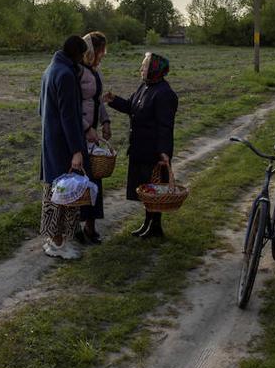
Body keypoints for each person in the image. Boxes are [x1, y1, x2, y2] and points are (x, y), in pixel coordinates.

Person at [104, 52, 178, 240]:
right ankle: (148, 223)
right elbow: (131, 106)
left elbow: (165, 126)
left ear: (154, 69)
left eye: (144, 66)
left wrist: (164, 152)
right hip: (139, 148)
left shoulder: (164, 93)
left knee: (153, 189)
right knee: (146, 190)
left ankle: (155, 226)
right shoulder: (146, 86)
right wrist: (113, 100)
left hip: (153, 151)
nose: (141, 69)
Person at [39, 36, 89, 259]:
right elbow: (69, 117)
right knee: (65, 193)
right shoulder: (66, 75)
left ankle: (51, 240)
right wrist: (77, 149)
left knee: (52, 192)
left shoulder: (50, 69)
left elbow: (42, 109)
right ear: (77, 55)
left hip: (50, 140)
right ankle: (60, 244)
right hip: (64, 144)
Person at [76, 32, 111, 245]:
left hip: (93, 133)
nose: (103, 54)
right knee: (80, 179)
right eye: (101, 50)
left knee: (94, 179)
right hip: (80, 133)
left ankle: (91, 226)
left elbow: (98, 101)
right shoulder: (78, 72)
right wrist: (86, 127)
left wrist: (106, 122)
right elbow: (72, 106)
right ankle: (77, 226)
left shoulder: (94, 72)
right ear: (92, 50)